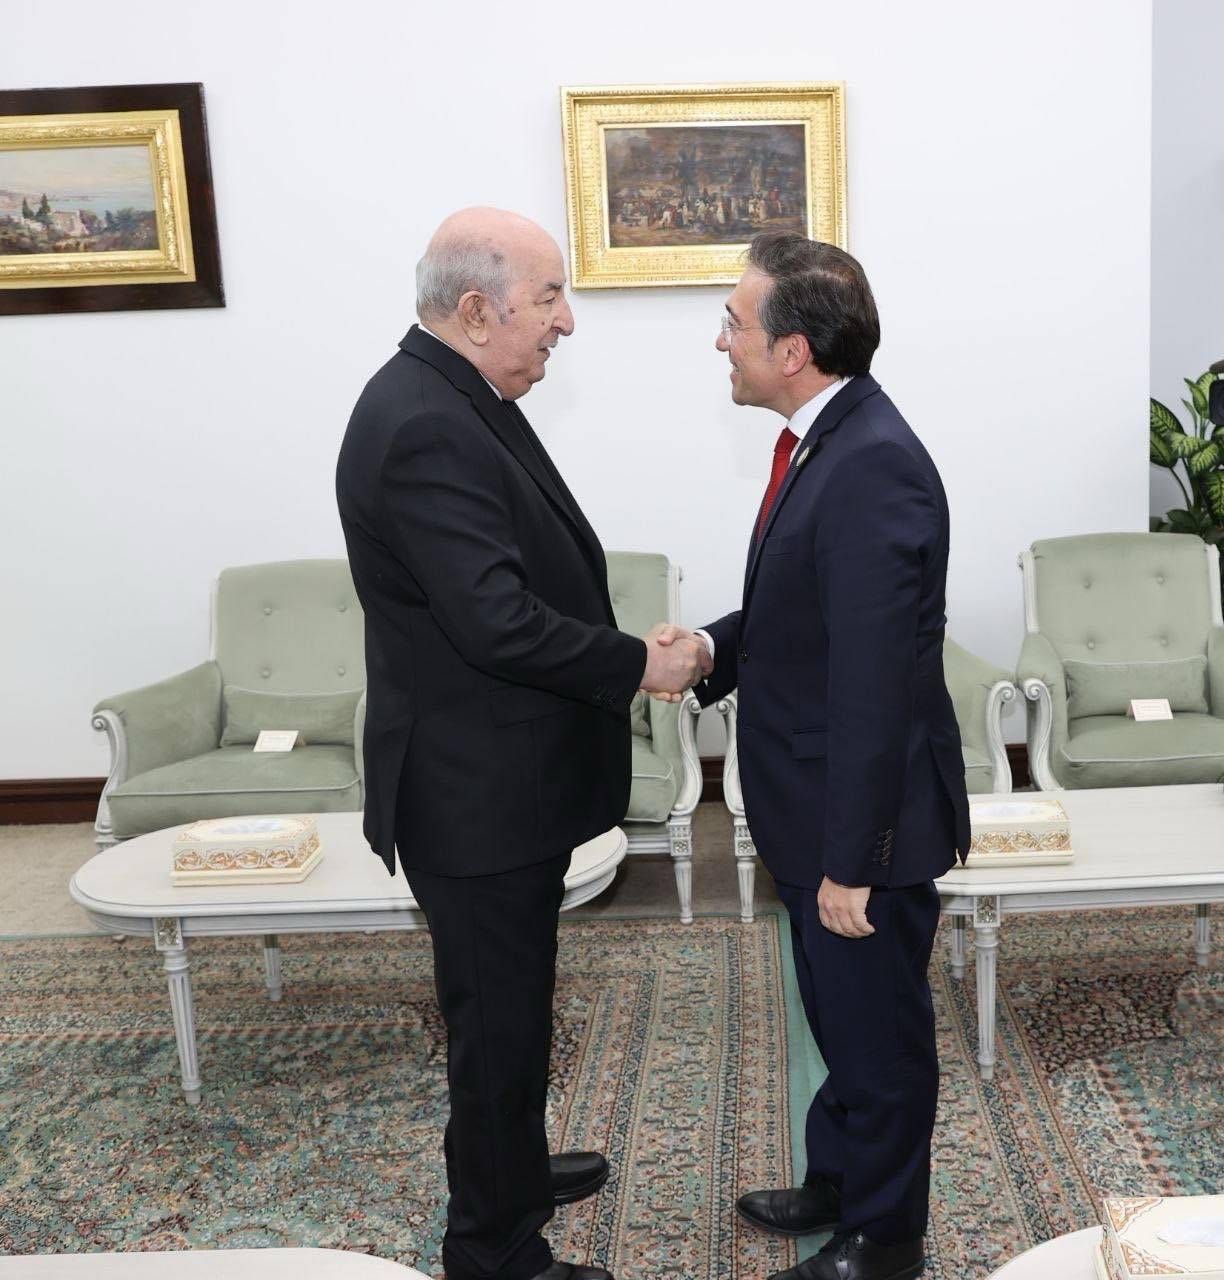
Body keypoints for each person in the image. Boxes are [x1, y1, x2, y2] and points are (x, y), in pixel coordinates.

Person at [335, 207, 709, 1280]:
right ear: (474, 310)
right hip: (474, 795)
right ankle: (494, 1247)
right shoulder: (424, 422)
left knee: (515, 1007)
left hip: (498, 784)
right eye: (548, 298)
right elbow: (495, 622)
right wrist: (638, 663)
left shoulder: (454, 396)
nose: (565, 322)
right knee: (496, 1028)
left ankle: (513, 1170)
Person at [677, 233, 970, 1280]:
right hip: (815, 810)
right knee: (838, 1018)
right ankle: (840, 1180)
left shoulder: (871, 462)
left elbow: (872, 686)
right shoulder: (826, 440)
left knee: (879, 1040)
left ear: (793, 349)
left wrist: (854, 860)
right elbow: (803, 616)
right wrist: (710, 649)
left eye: (733, 323)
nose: (721, 341)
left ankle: (883, 1240)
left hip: (861, 828)